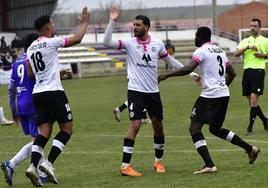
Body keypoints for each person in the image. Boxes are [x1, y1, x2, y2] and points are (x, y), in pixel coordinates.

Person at [103, 6, 199, 177]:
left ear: (147, 27)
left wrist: (191, 73)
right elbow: (106, 42)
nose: (134, 27)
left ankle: (158, 162)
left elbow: (170, 61)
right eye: (133, 25)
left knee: (158, 127)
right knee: (136, 124)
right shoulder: (129, 43)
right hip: (135, 90)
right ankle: (125, 166)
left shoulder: (157, 44)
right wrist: (112, 20)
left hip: (153, 92)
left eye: (138, 25)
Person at [158, 26, 260, 174]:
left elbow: (188, 68)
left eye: (195, 36)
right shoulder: (220, 50)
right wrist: (222, 86)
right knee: (215, 129)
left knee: (194, 128)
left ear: (200, 37)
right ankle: (250, 149)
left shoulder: (201, 51)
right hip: (223, 94)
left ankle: (209, 165)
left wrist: (167, 75)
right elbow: (231, 73)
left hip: (210, 95)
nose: (194, 39)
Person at [25, 7, 89, 187]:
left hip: (38, 93)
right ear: (48, 27)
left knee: (43, 133)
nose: (54, 27)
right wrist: (84, 22)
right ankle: (48, 163)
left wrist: (54, 73)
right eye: (52, 24)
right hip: (54, 92)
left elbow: (31, 74)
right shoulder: (51, 42)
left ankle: (32, 166)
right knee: (67, 130)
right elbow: (77, 39)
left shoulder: (31, 47)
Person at [1, 33, 48, 186]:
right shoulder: (32, 59)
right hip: (34, 104)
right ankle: (12, 164)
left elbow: (11, 90)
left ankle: (42, 172)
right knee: (39, 140)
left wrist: (14, 112)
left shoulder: (16, 63)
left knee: (38, 138)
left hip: (21, 106)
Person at [234, 18, 268, 135]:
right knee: (252, 103)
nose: (252, 28)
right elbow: (236, 53)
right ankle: (265, 120)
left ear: (259, 27)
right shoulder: (245, 41)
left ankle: (250, 128)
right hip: (247, 72)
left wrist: (263, 55)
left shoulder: (265, 41)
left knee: (254, 100)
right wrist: (247, 47)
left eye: (255, 26)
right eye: (251, 26)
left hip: (259, 71)